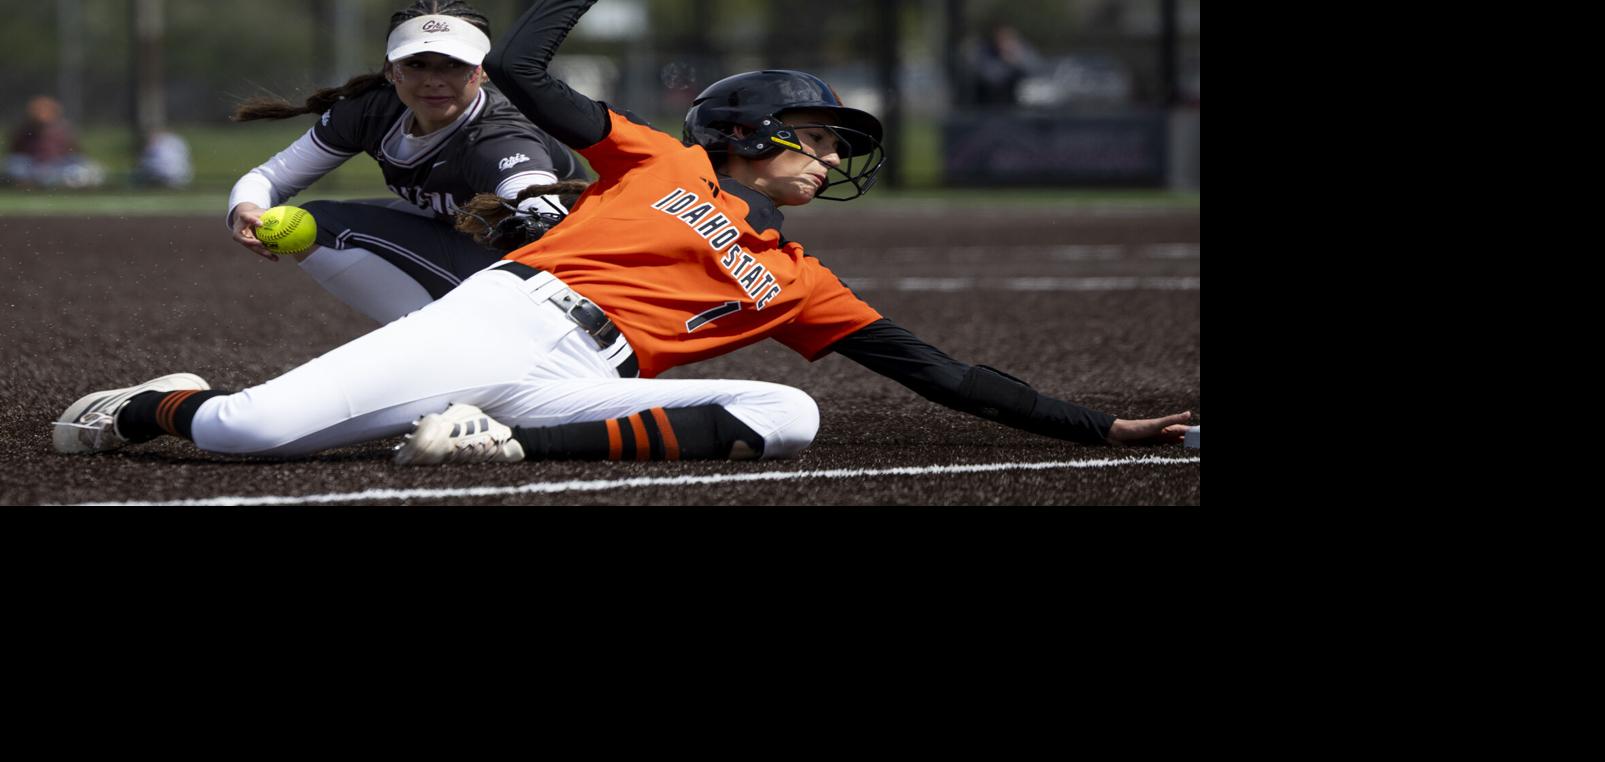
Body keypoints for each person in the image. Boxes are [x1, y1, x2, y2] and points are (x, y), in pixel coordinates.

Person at [52, 0, 1190, 463]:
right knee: (247, 435)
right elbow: (526, 65)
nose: (831, 157)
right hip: (504, 318)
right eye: (817, 136)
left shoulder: (800, 279)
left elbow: (935, 370)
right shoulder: (663, 157)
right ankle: (144, 407)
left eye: (838, 147)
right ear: (748, 129)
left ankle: (492, 444)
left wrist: (1101, 424)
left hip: (573, 383)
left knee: (786, 410)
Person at [226, 0, 588, 325]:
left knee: (326, 224)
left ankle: (449, 349)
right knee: (313, 224)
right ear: (391, 70)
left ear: (482, 71)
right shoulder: (371, 111)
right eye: (416, 64)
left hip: (567, 282)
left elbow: (539, 202)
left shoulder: (498, 135)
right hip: (476, 246)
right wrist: (246, 207)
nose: (433, 80)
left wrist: (534, 211)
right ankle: (437, 342)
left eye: (454, 65)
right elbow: (270, 177)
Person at [5, 96, 104, 188]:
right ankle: (26, 185)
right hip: (32, 168)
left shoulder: (63, 130)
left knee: (84, 167)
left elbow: (76, 151)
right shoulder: (24, 130)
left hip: (58, 167)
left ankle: (73, 188)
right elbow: (14, 153)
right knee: (16, 164)